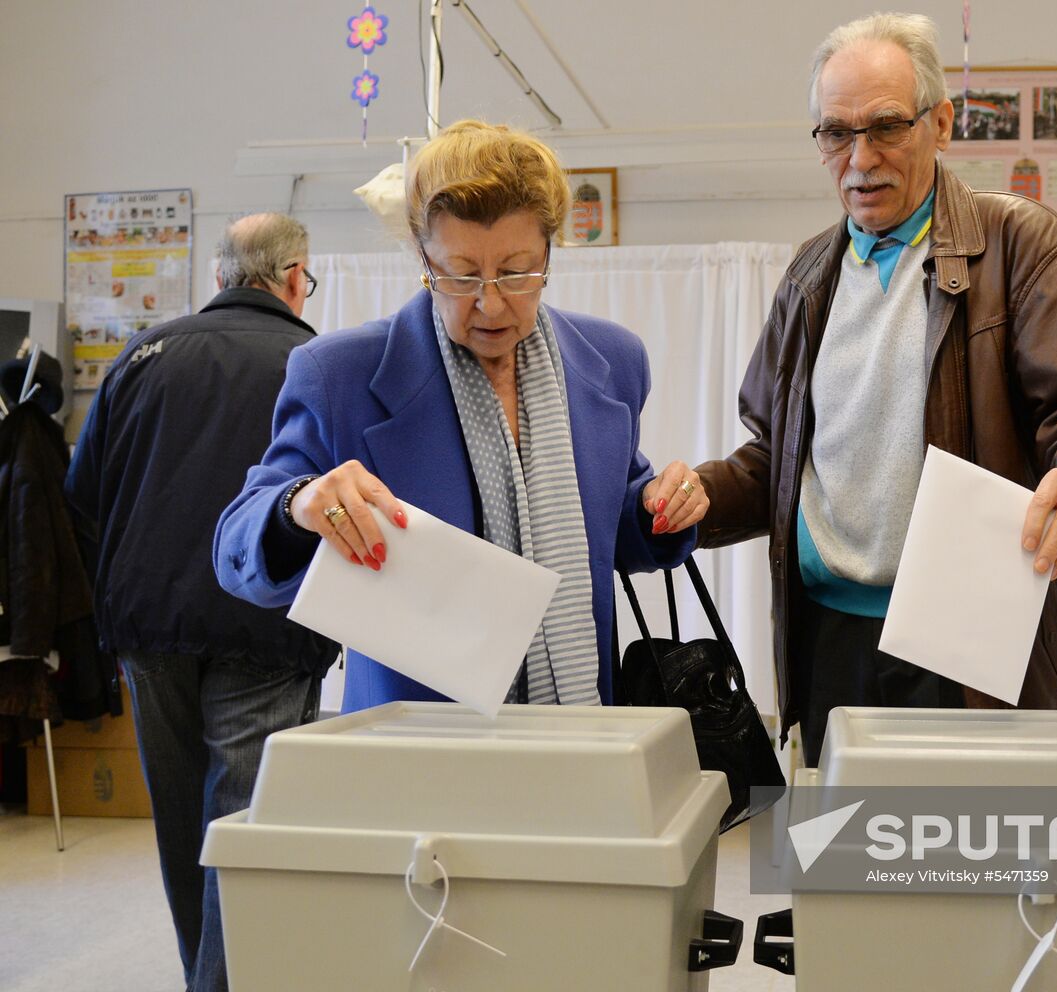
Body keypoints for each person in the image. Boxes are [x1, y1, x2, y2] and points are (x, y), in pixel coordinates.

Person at [695, 13, 1057, 763]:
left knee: (966, 859)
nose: (860, 158)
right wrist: (701, 495)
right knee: (845, 860)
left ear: (940, 122)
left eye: (885, 127)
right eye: (835, 134)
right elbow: (774, 459)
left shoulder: (1020, 245)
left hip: (968, 636)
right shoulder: (808, 277)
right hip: (827, 636)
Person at [214, 119, 707, 712]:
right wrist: (298, 506)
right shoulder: (338, 375)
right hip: (415, 747)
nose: (491, 302)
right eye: (462, 274)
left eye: (517, 271)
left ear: (551, 252)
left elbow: (613, 529)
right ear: (423, 258)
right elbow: (234, 548)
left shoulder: (612, 361)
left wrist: (663, 507)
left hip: (582, 735)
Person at [66, 213, 338, 992]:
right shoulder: (312, 363)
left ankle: (204, 976)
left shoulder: (142, 356)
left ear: (219, 277)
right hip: (267, 627)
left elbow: (82, 493)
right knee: (245, 834)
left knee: (186, 829)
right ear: (294, 278)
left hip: (149, 628)